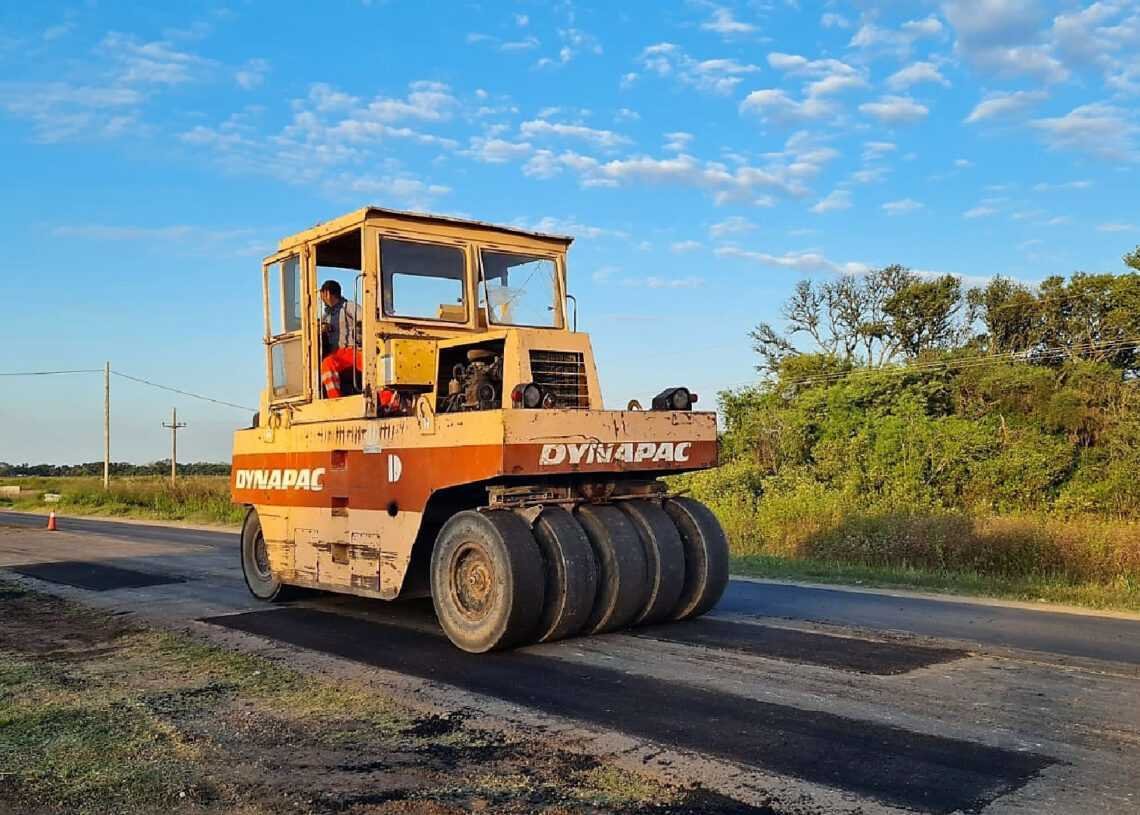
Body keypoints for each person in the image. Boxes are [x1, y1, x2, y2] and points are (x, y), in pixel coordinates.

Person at [318, 280, 361, 398]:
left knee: (377, 369)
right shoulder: (325, 316)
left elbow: (365, 319)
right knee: (327, 363)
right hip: (337, 354)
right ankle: (335, 399)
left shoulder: (349, 307)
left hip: (354, 351)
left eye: (322, 294)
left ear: (327, 293)